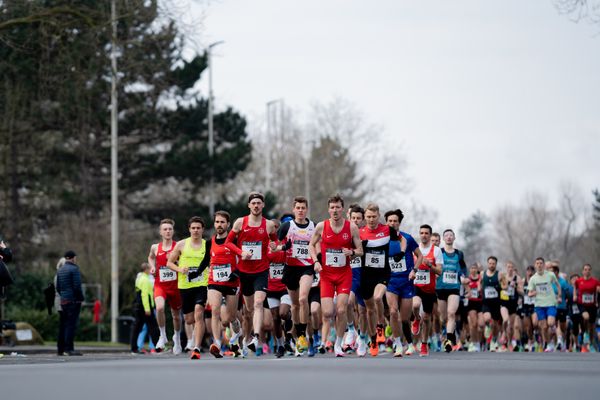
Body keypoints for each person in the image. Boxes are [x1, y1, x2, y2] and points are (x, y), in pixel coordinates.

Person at [309, 194, 364, 357]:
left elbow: (360, 251)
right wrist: (315, 262)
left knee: (341, 310)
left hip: (344, 275)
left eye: (338, 207)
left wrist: (352, 252)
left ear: (342, 209)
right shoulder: (321, 226)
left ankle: (339, 344)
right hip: (326, 274)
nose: (335, 210)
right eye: (332, 207)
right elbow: (311, 245)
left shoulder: (351, 228)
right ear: (328, 209)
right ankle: (328, 336)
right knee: (327, 312)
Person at [226, 192, 278, 354]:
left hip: (261, 271)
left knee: (258, 304)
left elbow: (274, 240)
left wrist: (274, 245)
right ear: (249, 205)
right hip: (244, 272)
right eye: (253, 203)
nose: (256, 206)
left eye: (258, 203)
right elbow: (228, 242)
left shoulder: (268, 225)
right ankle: (245, 337)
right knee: (248, 311)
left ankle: (256, 337)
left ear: (263, 205)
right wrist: (240, 252)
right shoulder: (240, 223)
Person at [359, 203, 405, 357]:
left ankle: (394, 340)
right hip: (366, 275)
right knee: (369, 310)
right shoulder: (360, 232)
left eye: (374, 217)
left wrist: (402, 252)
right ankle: (372, 340)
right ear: (365, 217)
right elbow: (353, 253)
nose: (371, 220)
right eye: (368, 217)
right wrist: (358, 249)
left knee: (378, 297)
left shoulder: (387, 230)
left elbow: (402, 240)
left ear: (379, 216)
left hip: (382, 273)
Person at [167, 216, 211, 359]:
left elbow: (213, 263)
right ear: (189, 229)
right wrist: (180, 269)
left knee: (199, 312)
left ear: (202, 229)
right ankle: (190, 340)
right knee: (189, 319)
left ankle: (196, 347)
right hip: (185, 285)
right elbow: (169, 263)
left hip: (201, 284)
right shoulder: (181, 244)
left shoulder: (207, 245)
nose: (196, 230)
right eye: (193, 228)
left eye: (198, 228)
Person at [278, 196, 316, 355]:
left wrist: (318, 260)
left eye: (303, 208)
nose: (300, 210)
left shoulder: (313, 226)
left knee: (302, 299)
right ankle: (301, 335)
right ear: (294, 210)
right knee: (294, 305)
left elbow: (317, 245)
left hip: (307, 267)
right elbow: (275, 245)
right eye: (298, 208)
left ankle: (303, 335)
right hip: (290, 268)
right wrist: (281, 247)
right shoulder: (287, 226)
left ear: (306, 209)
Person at [206, 211, 245, 358]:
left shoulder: (235, 241)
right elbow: (205, 260)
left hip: (231, 282)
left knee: (231, 318)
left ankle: (236, 341)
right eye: (217, 222)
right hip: (214, 281)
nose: (219, 225)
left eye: (222, 222)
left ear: (228, 224)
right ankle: (217, 344)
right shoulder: (210, 242)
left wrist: (237, 272)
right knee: (215, 310)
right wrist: (195, 273)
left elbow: (243, 259)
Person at [385, 209, 422, 357]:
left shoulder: (407, 238)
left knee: (405, 318)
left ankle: (410, 343)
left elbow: (419, 256)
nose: (392, 223)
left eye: (395, 221)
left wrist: (415, 270)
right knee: (393, 312)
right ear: (386, 222)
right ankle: (398, 344)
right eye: (390, 221)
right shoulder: (382, 239)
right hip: (390, 282)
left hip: (406, 281)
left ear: (399, 223)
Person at [147, 219, 183, 354]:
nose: (168, 231)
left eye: (170, 229)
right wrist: (152, 266)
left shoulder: (178, 246)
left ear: (173, 231)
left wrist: (178, 262)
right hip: (160, 284)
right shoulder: (155, 247)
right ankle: (162, 335)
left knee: (176, 316)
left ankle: (177, 338)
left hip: (175, 285)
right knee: (160, 307)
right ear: (160, 232)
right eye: (165, 229)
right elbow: (150, 257)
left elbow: (185, 261)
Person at [412, 224, 443, 357]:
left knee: (427, 318)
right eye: (422, 233)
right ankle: (416, 319)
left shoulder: (436, 251)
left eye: (426, 233)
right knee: (415, 305)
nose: (424, 235)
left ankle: (424, 344)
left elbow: (440, 271)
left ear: (430, 235)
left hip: (429, 289)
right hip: (416, 286)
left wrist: (430, 265)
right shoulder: (414, 249)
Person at [436, 229, 466, 352]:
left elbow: (463, 268)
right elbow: (434, 266)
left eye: (451, 235)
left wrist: (464, 277)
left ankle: (449, 339)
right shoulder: (439, 252)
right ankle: (446, 330)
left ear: (454, 238)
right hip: (441, 287)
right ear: (443, 239)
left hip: (454, 287)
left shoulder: (459, 253)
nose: (448, 237)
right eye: (446, 235)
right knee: (443, 317)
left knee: (451, 313)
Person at [528, 257, 561, 352]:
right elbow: (529, 293)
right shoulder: (533, 279)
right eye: (537, 263)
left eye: (541, 263)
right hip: (539, 305)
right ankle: (548, 343)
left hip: (550, 303)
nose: (539, 265)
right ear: (535, 265)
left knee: (550, 323)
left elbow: (558, 285)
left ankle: (553, 328)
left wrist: (559, 296)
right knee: (544, 327)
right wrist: (533, 293)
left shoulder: (550, 275)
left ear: (544, 265)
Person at [56, 250, 84, 356]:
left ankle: (60, 349)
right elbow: (77, 287)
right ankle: (69, 349)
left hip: (63, 301)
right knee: (71, 325)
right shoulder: (74, 269)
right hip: (73, 301)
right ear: (73, 258)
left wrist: (63, 296)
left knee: (63, 325)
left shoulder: (60, 270)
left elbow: (58, 287)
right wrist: (81, 298)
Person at [131, 263, 161, 354]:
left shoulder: (140, 278)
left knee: (138, 328)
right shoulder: (145, 280)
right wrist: (147, 309)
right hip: (145, 308)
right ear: (146, 269)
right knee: (153, 327)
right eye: (149, 269)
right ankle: (158, 348)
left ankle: (134, 348)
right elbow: (145, 295)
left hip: (140, 307)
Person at [573, 264, 600, 352]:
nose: (587, 271)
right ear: (582, 271)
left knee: (592, 326)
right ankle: (585, 333)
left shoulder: (595, 281)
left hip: (592, 305)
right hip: (582, 304)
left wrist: (598, 297)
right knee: (585, 317)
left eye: (588, 269)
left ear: (590, 271)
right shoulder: (578, 281)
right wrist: (574, 295)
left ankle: (591, 343)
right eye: (585, 269)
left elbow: (598, 291)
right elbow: (575, 288)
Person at [481, 256, 504, 351]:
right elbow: (479, 284)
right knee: (487, 318)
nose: (491, 265)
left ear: (496, 264)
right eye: (490, 263)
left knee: (495, 325)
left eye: (493, 264)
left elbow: (504, 286)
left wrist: (501, 287)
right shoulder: (483, 274)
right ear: (487, 264)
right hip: (486, 302)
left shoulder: (499, 274)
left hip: (496, 303)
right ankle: (487, 326)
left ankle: (494, 340)